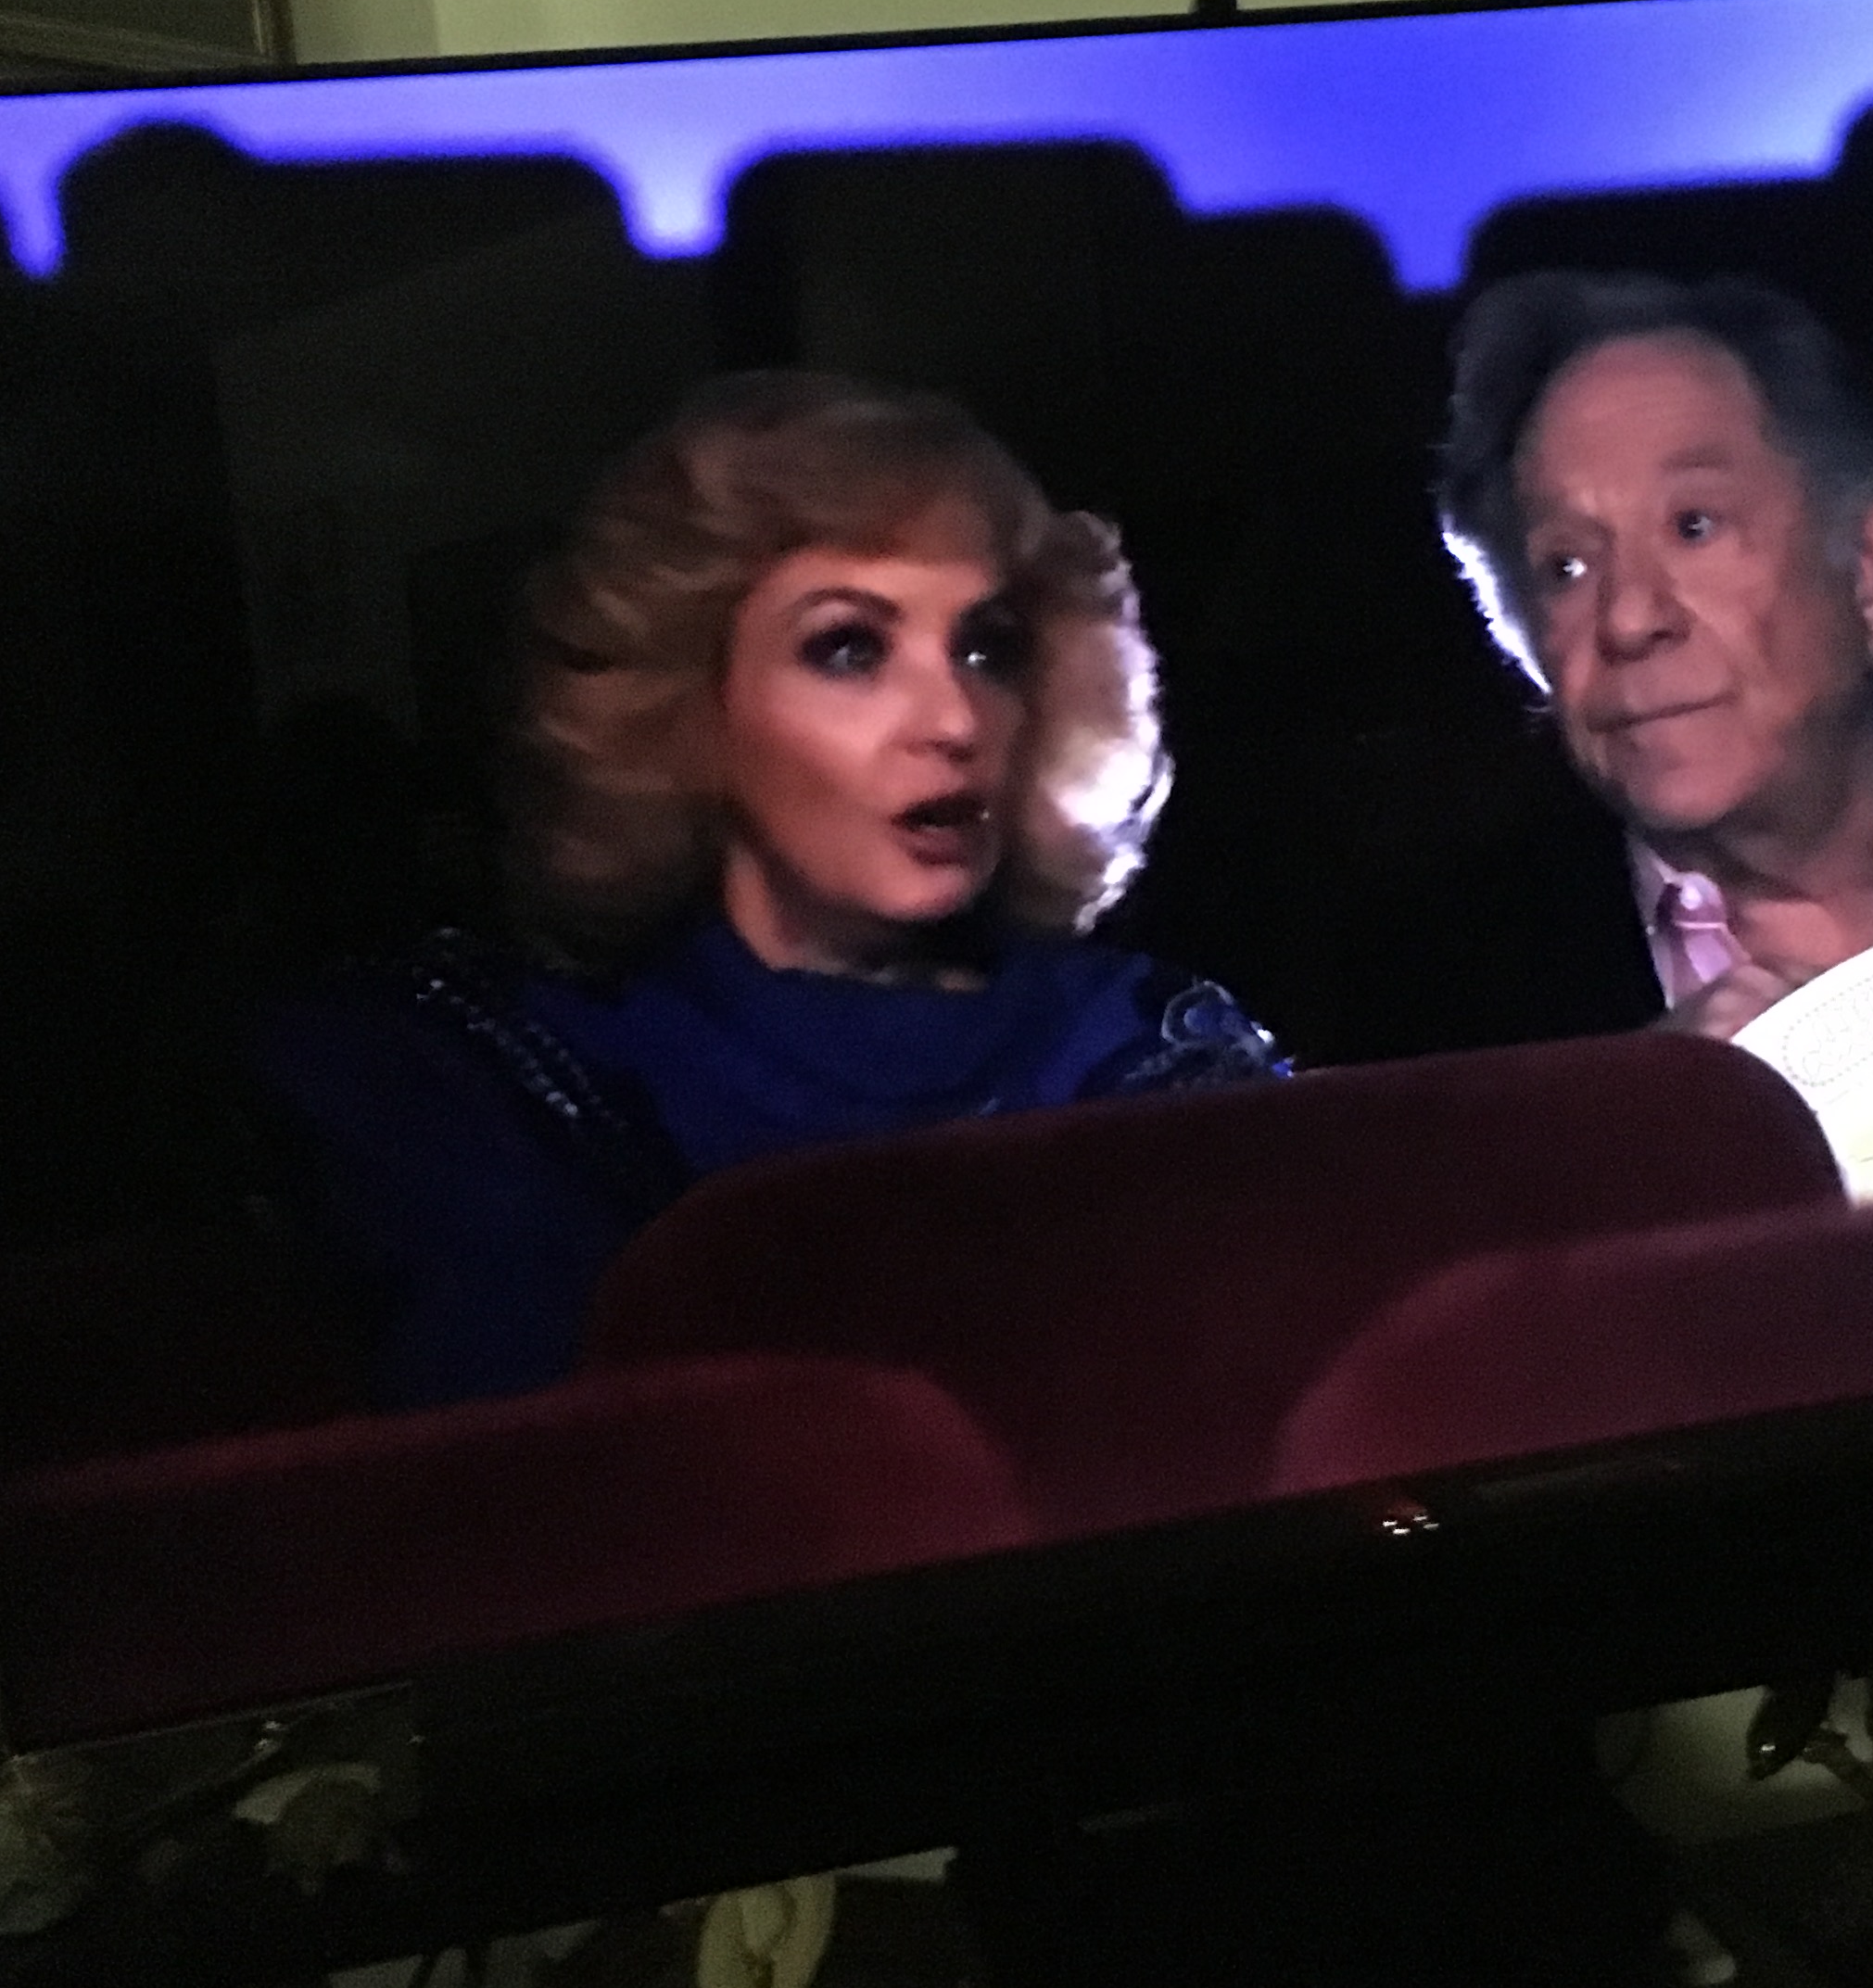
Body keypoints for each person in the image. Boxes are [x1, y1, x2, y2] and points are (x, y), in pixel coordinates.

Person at [254, 370, 1284, 1409]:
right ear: (690, 706)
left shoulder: (1146, 1044)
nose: (956, 721)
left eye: (989, 647)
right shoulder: (502, 1084)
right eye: (850, 648)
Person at [1435, 270, 1873, 1184]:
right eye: (1565, 567)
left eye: (1694, 526)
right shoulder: (1441, 992)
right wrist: (1614, 1146)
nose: (1628, 619)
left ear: (1869, 566)